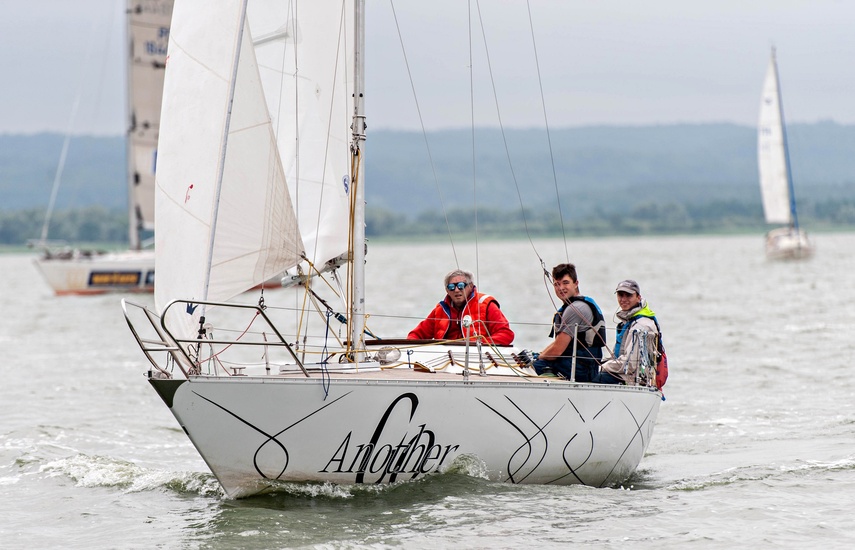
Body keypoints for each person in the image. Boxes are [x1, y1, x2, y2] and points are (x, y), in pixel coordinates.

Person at [533, 263, 606, 381]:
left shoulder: (575, 309)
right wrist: (539, 355)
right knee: (538, 361)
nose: (561, 288)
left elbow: (557, 350)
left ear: (576, 283)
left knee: (531, 369)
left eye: (565, 283)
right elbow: (558, 343)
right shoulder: (577, 305)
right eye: (557, 284)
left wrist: (538, 359)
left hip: (579, 369)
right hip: (581, 365)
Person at [407, 269, 515, 345]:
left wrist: (480, 344)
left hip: (478, 356)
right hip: (445, 360)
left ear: (471, 286)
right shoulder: (440, 310)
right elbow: (416, 334)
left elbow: (506, 334)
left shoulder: (486, 304)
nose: (457, 290)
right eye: (451, 287)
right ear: (447, 291)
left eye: (461, 286)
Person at [592, 279, 660, 385]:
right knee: (587, 372)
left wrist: (602, 367)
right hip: (624, 374)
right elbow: (617, 356)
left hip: (632, 379)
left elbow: (630, 364)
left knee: (590, 378)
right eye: (620, 295)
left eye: (628, 295)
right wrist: (596, 365)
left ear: (638, 297)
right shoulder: (629, 321)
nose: (623, 299)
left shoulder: (641, 325)